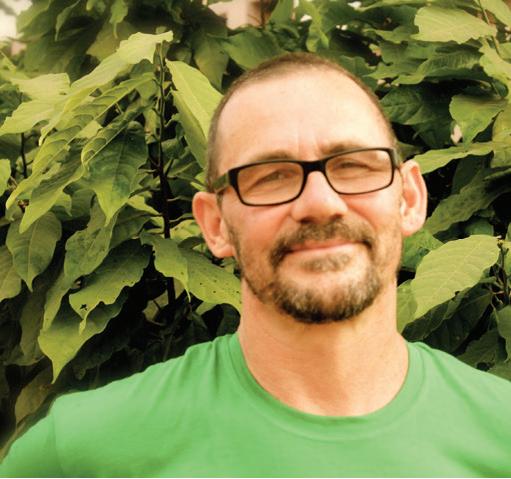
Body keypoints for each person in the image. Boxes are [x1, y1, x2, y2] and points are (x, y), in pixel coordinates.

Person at [1, 52, 511, 477]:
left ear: (410, 198)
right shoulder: (81, 454)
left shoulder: (501, 437)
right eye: (270, 176)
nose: (320, 203)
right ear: (215, 224)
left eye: (354, 165)